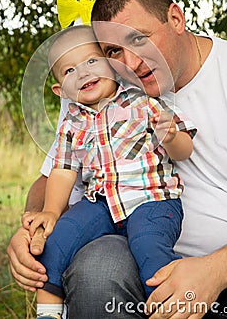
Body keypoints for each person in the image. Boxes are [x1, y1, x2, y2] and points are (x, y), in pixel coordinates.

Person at [8, 0, 227, 318]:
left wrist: (215, 270)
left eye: (140, 39)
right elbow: (52, 178)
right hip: (132, 249)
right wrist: (32, 225)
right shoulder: (106, 89)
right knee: (97, 270)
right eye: (113, 51)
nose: (131, 63)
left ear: (176, 19)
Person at [22, 24, 196, 319]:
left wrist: (172, 137)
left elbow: (185, 151)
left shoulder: (142, 104)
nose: (84, 73)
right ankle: (48, 314)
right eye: (69, 71)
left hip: (152, 200)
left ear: (113, 66)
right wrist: (51, 212)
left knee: (149, 246)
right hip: (101, 203)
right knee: (58, 240)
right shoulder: (71, 124)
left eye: (92, 61)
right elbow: (63, 171)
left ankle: (168, 308)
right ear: (59, 90)